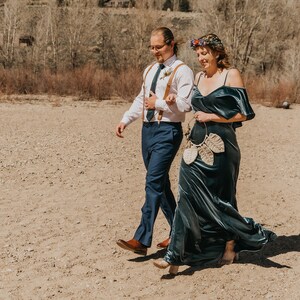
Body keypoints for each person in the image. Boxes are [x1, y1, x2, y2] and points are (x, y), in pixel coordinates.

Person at [153, 33, 277, 275]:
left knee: (222, 200)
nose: (200, 58)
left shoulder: (231, 75)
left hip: (223, 146)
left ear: (218, 52)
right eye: (198, 54)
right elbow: (188, 105)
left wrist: (213, 117)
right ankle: (175, 255)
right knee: (186, 197)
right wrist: (172, 99)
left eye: (205, 53)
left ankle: (231, 242)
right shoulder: (198, 76)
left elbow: (244, 114)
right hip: (195, 146)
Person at [115, 27, 194, 256]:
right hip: (147, 131)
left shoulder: (183, 71)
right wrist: (125, 120)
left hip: (168, 131)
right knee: (159, 185)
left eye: (158, 47)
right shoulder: (149, 70)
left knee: (152, 182)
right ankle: (181, 231)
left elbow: (186, 105)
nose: (154, 51)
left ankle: (141, 239)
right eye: (151, 47)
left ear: (170, 44)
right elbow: (141, 98)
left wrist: (159, 103)